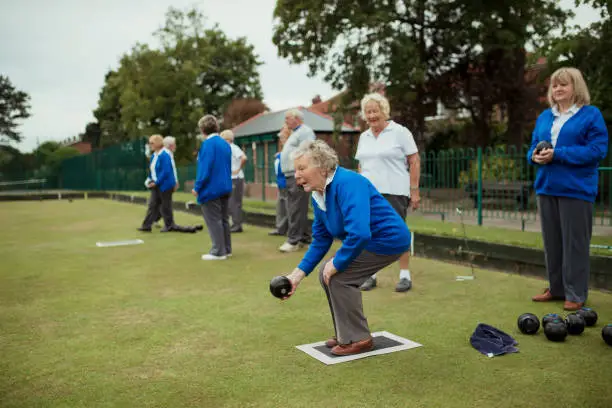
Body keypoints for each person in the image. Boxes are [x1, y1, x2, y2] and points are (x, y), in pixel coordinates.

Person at [282, 140, 412, 356]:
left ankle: (359, 339)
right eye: (296, 169)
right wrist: (296, 276)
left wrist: (338, 263)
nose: (296, 175)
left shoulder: (348, 182)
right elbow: (321, 239)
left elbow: (360, 232)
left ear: (323, 167)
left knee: (340, 276)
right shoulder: (319, 194)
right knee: (327, 272)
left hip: (389, 240)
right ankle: (346, 333)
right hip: (369, 240)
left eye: (302, 168)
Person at [528, 67, 608, 311]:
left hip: (576, 189)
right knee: (552, 243)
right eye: (554, 85)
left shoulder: (590, 115)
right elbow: (532, 146)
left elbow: (597, 150)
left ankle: (576, 293)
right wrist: (534, 156)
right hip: (546, 187)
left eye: (563, 84)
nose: (558, 89)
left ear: (576, 87)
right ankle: (557, 288)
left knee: (575, 243)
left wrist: (558, 155)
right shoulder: (545, 117)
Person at [355, 93, 421, 293]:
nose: (372, 115)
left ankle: (404, 276)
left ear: (384, 111)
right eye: (368, 112)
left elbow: (414, 160)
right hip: (368, 193)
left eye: (375, 110)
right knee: (369, 233)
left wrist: (414, 190)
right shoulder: (363, 137)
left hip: (395, 191)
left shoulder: (400, 132)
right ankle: (371, 275)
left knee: (398, 232)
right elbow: (361, 165)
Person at [191, 115, 233, 260]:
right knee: (223, 219)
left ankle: (218, 251)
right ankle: (226, 249)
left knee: (214, 220)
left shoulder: (208, 145)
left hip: (211, 188)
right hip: (225, 186)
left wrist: (197, 187)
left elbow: (205, 168)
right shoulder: (225, 143)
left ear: (202, 129)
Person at [279, 109, 316, 252]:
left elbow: (307, 152)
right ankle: (304, 238)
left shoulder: (305, 132)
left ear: (297, 118)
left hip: (298, 175)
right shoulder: (295, 133)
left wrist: (302, 173)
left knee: (296, 208)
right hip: (290, 174)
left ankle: (293, 241)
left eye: (287, 118)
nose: (286, 121)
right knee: (296, 207)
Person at [138, 134, 177, 232]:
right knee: (152, 205)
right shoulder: (154, 156)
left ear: (158, 143)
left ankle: (169, 225)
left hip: (165, 185)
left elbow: (166, 171)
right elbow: (152, 171)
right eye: (150, 143)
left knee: (165, 206)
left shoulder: (165, 154)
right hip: (156, 184)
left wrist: (157, 182)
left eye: (152, 143)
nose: (150, 145)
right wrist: (148, 180)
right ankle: (146, 226)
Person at [220, 129, 247, 233]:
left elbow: (244, 158)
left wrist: (237, 169)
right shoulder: (228, 148)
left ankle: (237, 225)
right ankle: (236, 223)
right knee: (233, 202)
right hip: (232, 178)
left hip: (236, 178)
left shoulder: (233, 147)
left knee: (234, 202)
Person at [269, 125, 290, 236]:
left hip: (288, 183)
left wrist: (280, 155)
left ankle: (290, 231)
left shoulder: (289, 150)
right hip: (281, 184)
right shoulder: (282, 152)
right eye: (281, 138)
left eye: (283, 138)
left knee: (289, 208)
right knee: (281, 208)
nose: (281, 140)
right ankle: (280, 229)